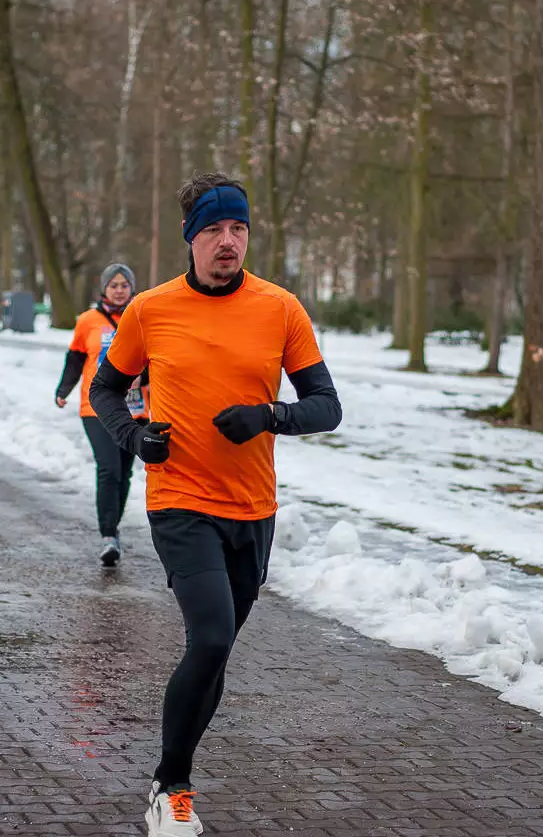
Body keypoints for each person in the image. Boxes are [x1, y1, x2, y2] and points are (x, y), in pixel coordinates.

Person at [89, 172, 342, 836]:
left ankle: (172, 772)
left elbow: (326, 406)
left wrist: (268, 414)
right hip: (180, 500)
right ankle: (171, 786)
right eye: (213, 230)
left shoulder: (280, 307)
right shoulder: (150, 309)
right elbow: (108, 391)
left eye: (238, 229)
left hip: (253, 508)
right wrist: (134, 436)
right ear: (190, 239)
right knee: (209, 633)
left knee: (218, 648)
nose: (228, 242)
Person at [55, 263, 149, 567]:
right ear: (104, 288)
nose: (119, 290)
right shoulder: (88, 321)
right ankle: (108, 535)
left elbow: (158, 359)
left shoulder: (144, 317)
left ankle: (114, 528)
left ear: (132, 288)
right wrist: (63, 389)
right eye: (114, 285)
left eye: (124, 285)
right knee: (108, 468)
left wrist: (142, 378)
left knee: (124, 473)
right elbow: (76, 358)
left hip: (136, 409)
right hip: (95, 407)